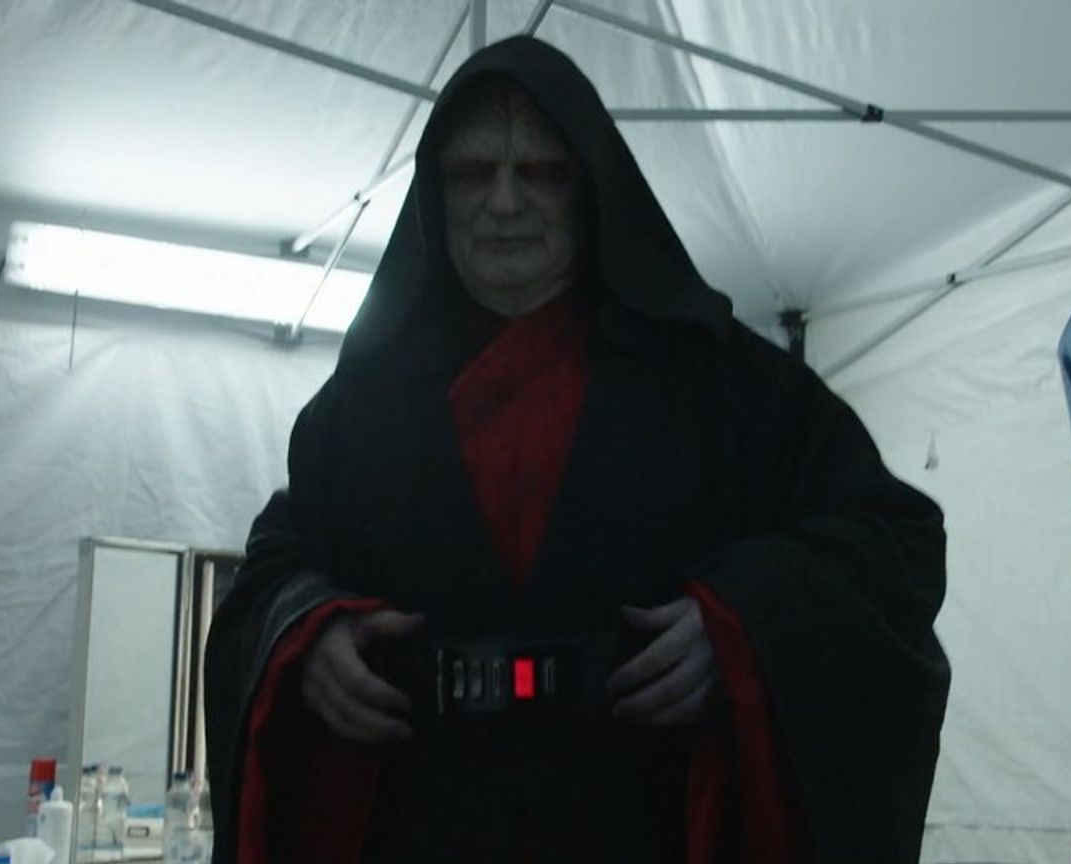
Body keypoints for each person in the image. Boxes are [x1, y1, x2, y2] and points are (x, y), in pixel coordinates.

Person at [205, 36, 950, 864]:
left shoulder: (726, 387)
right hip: (422, 825)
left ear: (591, 189)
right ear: (434, 196)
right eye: (472, 173)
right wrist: (307, 635)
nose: (504, 203)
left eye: (541, 171)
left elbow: (893, 542)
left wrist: (742, 622)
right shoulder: (359, 409)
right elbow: (277, 565)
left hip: (647, 821)